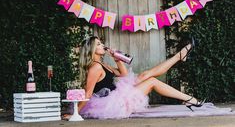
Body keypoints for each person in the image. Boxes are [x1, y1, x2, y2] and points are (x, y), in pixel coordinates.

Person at [75, 36, 205, 119]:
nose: (102, 45)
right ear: (91, 49)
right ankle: (191, 99)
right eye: (98, 44)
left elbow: (124, 75)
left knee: (145, 75)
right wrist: (75, 113)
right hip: (115, 104)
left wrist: (117, 59)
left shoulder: (101, 64)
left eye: (101, 42)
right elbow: (88, 93)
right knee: (152, 81)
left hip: (119, 95)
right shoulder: (95, 67)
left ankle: (179, 56)